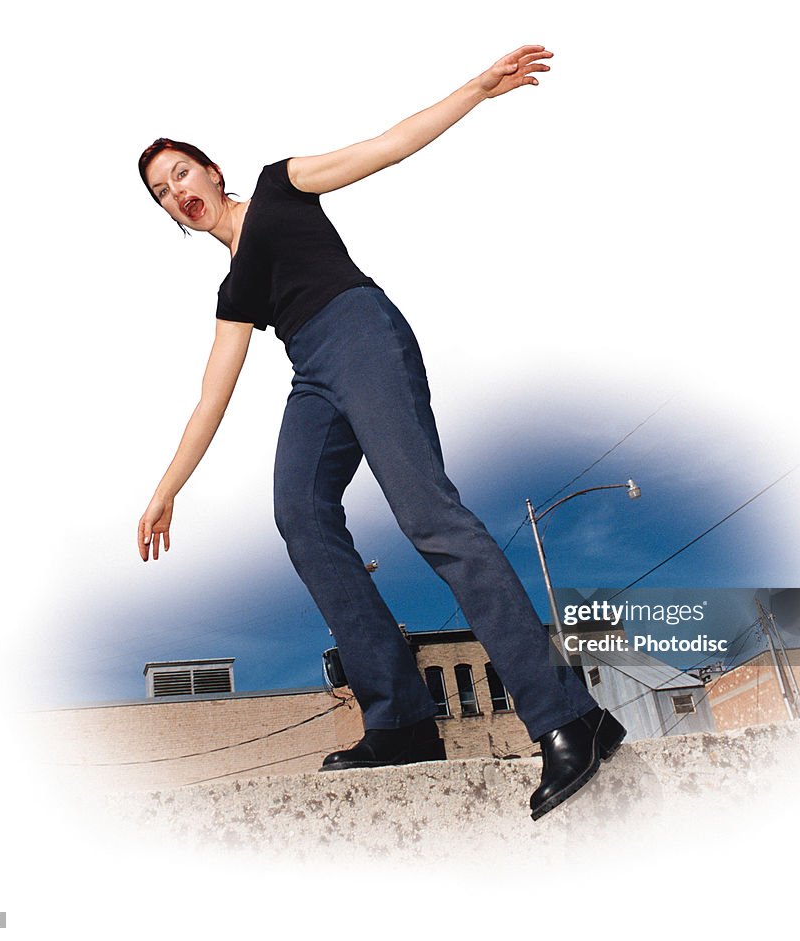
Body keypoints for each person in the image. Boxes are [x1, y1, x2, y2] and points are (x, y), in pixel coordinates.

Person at [136, 44, 625, 821]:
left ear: (212, 170)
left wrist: (475, 89)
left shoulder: (279, 186)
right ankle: (399, 719)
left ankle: (571, 716)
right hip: (314, 372)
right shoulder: (233, 293)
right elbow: (210, 398)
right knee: (298, 511)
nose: (179, 193)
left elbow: (384, 146)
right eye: (163, 192)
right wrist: (165, 491)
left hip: (360, 331)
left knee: (428, 514)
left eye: (183, 174)